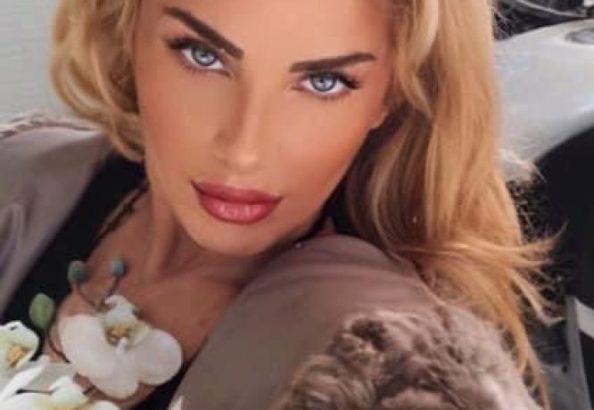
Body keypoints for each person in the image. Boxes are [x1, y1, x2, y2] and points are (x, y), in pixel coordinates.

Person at [0, 0, 553, 408]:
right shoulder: (22, 177)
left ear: (392, 93)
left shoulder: (391, 370)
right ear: (125, 26)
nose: (244, 150)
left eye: (324, 81)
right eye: (202, 55)